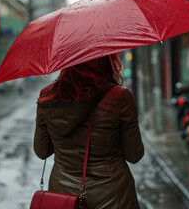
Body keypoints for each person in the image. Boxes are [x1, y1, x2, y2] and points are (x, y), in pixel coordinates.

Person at [34, 53, 144, 209]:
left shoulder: (48, 97)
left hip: (63, 196)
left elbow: (41, 151)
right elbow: (134, 155)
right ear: (106, 61)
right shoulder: (119, 97)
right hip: (113, 196)